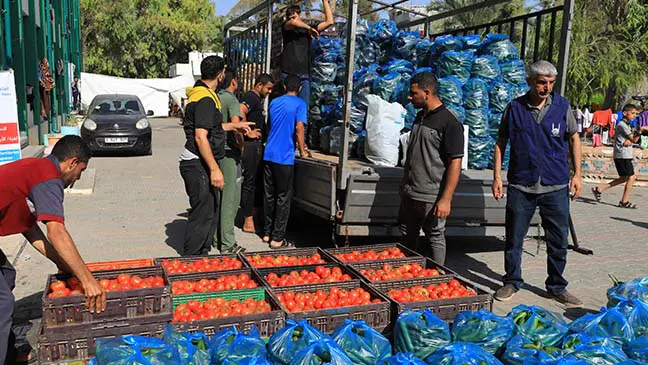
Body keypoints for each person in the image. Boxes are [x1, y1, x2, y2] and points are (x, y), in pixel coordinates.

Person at [0, 135, 106, 364]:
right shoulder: (48, 178)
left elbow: (32, 232)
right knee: (2, 302)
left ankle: (6, 351)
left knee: (6, 276)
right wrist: (87, 281)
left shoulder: (35, 169)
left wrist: (61, 263)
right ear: (72, 162)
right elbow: (56, 231)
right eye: (81, 170)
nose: (78, 178)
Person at [492, 60, 583, 307]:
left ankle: (556, 286)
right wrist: (497, 176)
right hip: (522, 185)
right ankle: (511, 281)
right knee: (514, 238)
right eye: (542, 82)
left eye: (551, 83)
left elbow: (574, 140)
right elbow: (500, 143)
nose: (547, 87)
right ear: (530, 81)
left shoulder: (563, 107)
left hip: (555, 185)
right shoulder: (514, 108)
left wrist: (577, 174)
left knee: (558, 239)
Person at [179, 56, 252, 256]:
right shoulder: (205, 99)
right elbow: (201, 137)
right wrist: (214, 170)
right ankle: (192, 260)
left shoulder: (202, 94)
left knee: (210, 211)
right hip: (197, 163)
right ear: (220, 75)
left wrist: (233, 125)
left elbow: (210, 127)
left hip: (197, 162)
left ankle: (201, 257)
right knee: (202, 214)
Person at [399, 72, 464, 266]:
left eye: (414, 93)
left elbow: (455, 163)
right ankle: (408, 275)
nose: (410, 97)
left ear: (426, 93)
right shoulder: (420, 117)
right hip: (411, 191)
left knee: (434, 235)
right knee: (407, 233)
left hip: (431, 195)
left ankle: (438, 278)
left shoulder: (449, 123)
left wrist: (446, 199)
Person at [262, 75, 310, 249]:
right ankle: (278, 238)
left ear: (283, 86)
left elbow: (270, 125)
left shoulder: (274, 102)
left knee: (269, 195)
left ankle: (267, 233)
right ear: (299, 89)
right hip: (284, 156)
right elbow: (299, 128)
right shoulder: (300, 104)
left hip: (269, 154)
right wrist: (303, 151)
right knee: (283, 197)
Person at [280, 0, 334, 105]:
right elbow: (293, 23)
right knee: (287, 105)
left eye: (294, 16)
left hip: (303, 75)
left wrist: (325, 2)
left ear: (300, 15)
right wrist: (309, 28)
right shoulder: (286, 28)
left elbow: (329, 22)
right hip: (288, 73)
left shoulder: (306, 32)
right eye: (289, 17)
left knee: (303, 106)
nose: (292, 19)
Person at [216, 70, 247, 254]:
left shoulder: (215, 97)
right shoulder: (232, 100)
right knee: (230, 200)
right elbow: (236, 126)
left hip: (216, 152)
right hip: (229, 154)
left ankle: (215, 238)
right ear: (234, 82)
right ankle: (228, 244)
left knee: (218, 199)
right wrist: (242, 145)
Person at [239, 73, 274, 234]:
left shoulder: (257, 100)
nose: (269, 92)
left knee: (255, 182)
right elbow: (240, 111)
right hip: (251, 146)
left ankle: (252, 215)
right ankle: (247, 220)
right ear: (259, 85)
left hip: (256, 146)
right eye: (268, 88)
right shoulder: (251, 98)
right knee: (250, 183)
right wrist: (248, 132)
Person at [592, 104, 640, 208]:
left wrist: (632, 139)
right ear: (624, 113)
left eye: (635, 114)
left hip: (624, 154)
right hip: (623, 155)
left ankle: (599, 189)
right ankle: (624, 201)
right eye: (632, 113)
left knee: (623, 178)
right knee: (631, 177)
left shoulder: (627, 125)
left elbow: (632, 140)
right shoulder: (622, 125)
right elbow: (634, 139)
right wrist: (640, 131)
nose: (634, 116)